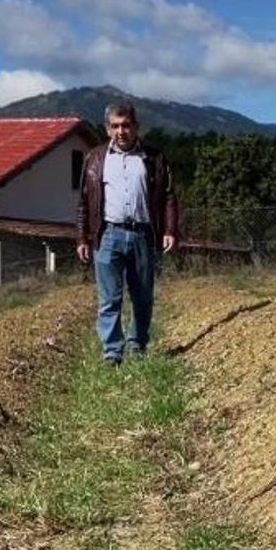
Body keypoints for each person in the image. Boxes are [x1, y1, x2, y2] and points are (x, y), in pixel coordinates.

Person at [76, 103, 179, 365]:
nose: (121, 131)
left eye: (126, 125)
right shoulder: (95, 158)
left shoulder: (153, 158)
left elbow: (168, 196)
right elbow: (84, 202)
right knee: (109, 298)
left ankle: (137, 345)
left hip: (143, 234)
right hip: (107, 234)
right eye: (115, 126)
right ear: (107, 129)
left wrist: (169, 229)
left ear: (136, 127)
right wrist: (82, 237)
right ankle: (112, 352)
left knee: (142, 296)